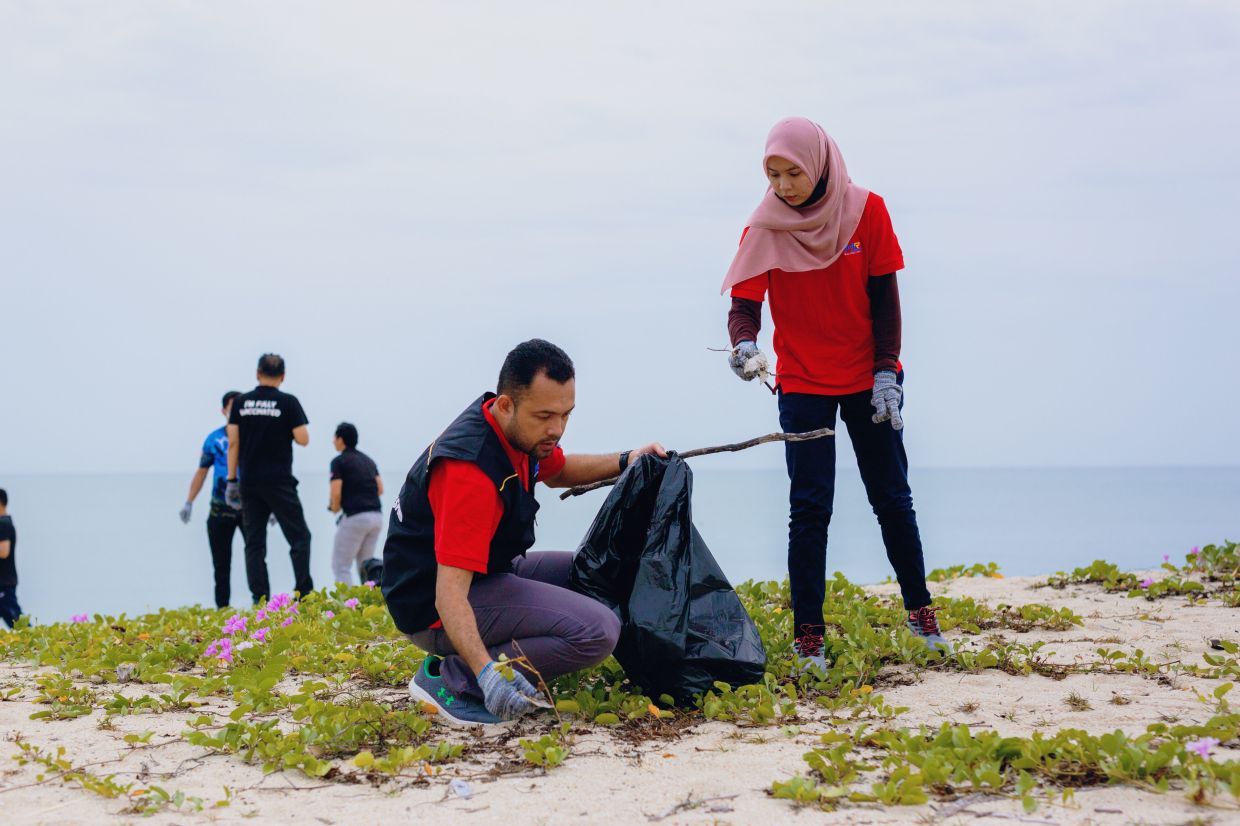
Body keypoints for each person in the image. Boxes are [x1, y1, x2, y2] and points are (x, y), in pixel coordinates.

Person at [720, 117, 949, 670]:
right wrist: (744, 346)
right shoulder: (765, 226)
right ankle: (809, 640)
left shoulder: (867, 210)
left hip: (871, 378)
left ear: (818, 163)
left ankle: (922, 619)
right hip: (802, 382)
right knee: (809, 509)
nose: (783, 186)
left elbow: (885, 300)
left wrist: (887, 372)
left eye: (792, 172)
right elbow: (744, 305)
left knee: (892, 498)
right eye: (772, 174)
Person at [383, 339, 666, 726]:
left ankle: (470, 664)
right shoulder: (469, 474)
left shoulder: (515, 433)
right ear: (506, 404)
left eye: (566, 414)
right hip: (432, 608)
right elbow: (449, 595)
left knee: (601, 570)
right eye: (545, 416)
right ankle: (452, 679)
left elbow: (558, 471)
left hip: (489, 574)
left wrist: (627, 460)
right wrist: (486, 673)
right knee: (597, 631)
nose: (557, 429)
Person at [226, 354, 313, 602]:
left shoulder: (240, 403)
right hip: (279, 481)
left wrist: (232, 481)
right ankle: (304, 594)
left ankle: (259, 598)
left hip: (249, 482)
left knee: (254, 542)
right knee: (300, 537)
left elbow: (233, 443)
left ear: (257, 373)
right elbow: (303, 439)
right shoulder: (288, 402)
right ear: (283, 376)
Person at [180, 390, 243, 608]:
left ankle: (261, 606)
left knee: (256, 558)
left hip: (250, 508)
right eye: (232, 407)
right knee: (221, 564)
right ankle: (222, 610)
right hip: (219, 509)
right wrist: (189, 501)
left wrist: (271, 506)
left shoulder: (254, 436)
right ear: (223, 410)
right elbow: (202, 471)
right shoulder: (214, 439)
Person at [328, 422, 385, 585]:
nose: (333, 441)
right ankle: (369, 603)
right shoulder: (368, 461)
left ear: (340, 439)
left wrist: (334, 507)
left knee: (340, 566)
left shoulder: (338, 461)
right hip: (376, 517)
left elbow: (336, 492)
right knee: (366, 566)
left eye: (334, 438)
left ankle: (348, 605)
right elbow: (380, 488)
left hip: (355, 517)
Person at [0, 489, 20, 629]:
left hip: (4, 583)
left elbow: (3, 551)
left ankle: (38, 646)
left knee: (18, 623)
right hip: (5, 582)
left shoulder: (3, 524)